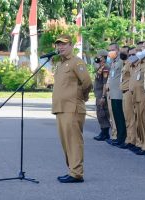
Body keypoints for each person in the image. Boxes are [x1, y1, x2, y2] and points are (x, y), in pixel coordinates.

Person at [52, 34, 92, 182]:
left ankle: (76, 173)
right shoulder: (61, 64)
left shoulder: (77, 62)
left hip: (72, 108)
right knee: (66, 142)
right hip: (61, 108)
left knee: (74, 141)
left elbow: (87, 82)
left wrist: (80, 96)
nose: (60, 47)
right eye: (58, 44)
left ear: (71, 46)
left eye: (64, 44)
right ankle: (72, 170)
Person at [129, 46, 145, 155]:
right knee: (140, 121)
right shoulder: (139, 65)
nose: (141, 51)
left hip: (143, 97)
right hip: (136, 97)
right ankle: (142, 143)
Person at [105, 43, 127, 147]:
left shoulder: (121, 61)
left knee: (120, 117)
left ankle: (122, 138)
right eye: (109, 50)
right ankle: (118, 137)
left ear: (118, 50)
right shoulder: (113, 62)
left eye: (113, 50)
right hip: (113, 93)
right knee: (115, 117)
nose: (111, 52)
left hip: (119, 94)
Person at [120, 46, 137, 150]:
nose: (130, 56)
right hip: (124, 92)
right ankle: (129, 138)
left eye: (131, 54)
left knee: (131, 118)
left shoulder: (131, 65)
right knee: (127, 118)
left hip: (129, 92)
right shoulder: (127, 64)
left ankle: (132, 140)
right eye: (129, 54)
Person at [93, 50, 111, 141]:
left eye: (98, 56)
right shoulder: (101, 67)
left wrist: (103, 96)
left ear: (103, 58)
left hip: (101, 93)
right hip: (98, 93)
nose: (96, 57)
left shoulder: (106, 68)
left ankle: (105, 133)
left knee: (102, 113)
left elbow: (105, 83)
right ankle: (103, 132)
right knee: (100, 113)